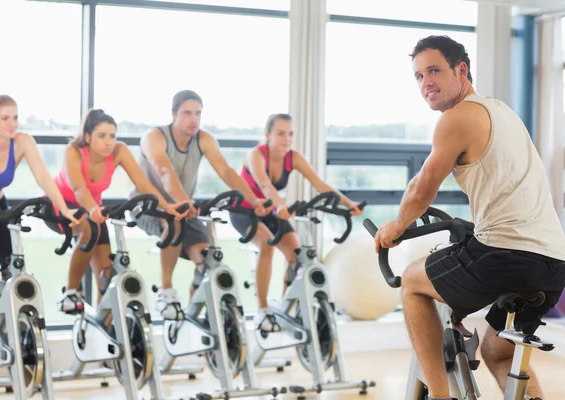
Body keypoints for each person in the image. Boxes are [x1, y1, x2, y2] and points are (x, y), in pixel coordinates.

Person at [372, 35, 565, 400]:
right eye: (418, 76)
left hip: (504, 253)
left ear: (461, 70)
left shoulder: (458, 117)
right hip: (553, 262)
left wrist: (395, 229)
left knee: (412, 283)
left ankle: (441, 396)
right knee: (497, 350)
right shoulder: (500, 111)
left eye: (434, 70)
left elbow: (422, 188)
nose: (425, 82)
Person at [133, 89, 271, 321]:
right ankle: (165, 291)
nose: (194, 119)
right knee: (173, 225)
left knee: (207, 259)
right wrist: (183, 200)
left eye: (198, 113)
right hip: (148, 206)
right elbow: (164, 170)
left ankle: (193, 314)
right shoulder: (154, 137)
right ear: (174, 114)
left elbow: (226, 171)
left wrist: (253, 200)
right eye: (187, 113)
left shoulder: (204, 139)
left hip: (183, 208)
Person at [229, 113, 365, 332]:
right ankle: (262, 312)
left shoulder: (293, 158)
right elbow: (264, 186)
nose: (287, 139)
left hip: (272, 209)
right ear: (267, 135)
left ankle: (284, 310)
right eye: (281, 133)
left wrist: (348, 203)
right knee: (267, 244)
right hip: (244, 209)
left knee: (297, 256)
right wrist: (280, 205)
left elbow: (319, 184)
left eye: (290, 134)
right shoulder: (256, 155)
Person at [0, 95, 80, 351]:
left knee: (12, 266)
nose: (12, 124)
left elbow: (42, 176)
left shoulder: (22, 142)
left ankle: (4, 314)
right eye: (5, 118)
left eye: (15, 117)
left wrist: (64, 209)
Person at [47, 109, 187, 314]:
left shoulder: (118, 151)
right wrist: (93, 209)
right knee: (88, 229)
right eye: (101, 136)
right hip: (60, 207)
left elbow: (141, 182)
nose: (108, 142)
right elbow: (78, 189)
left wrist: (165, 206)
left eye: (112, 136)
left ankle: (105, 324)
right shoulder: (74, 151)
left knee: (106, 274)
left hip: (92, 212)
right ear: (88, 137)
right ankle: (70, 292)